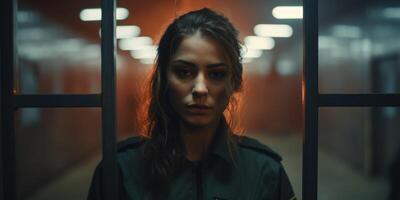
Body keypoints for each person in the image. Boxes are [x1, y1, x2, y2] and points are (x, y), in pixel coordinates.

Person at [88, 8, 296, 200]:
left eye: (216, 74)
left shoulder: (265, 171)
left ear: (235, 83)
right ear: (162, 78)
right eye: (184, 72)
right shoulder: (119, 171)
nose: (200, 89)